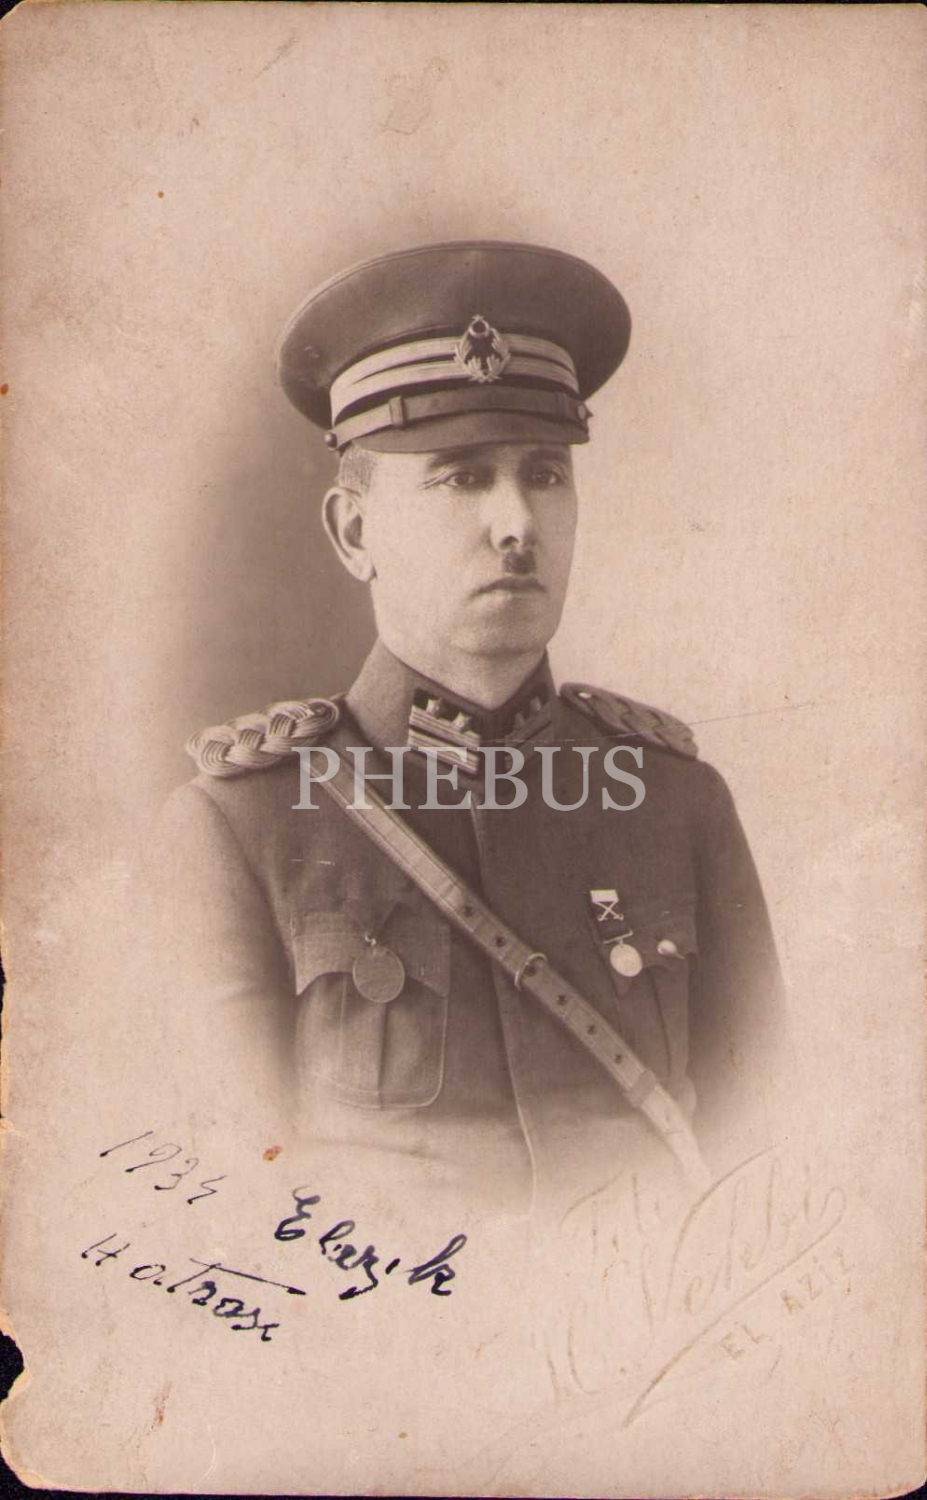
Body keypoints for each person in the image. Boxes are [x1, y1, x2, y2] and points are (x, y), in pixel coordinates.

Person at [153, 241, 788, 1224]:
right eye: (461, 478)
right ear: (355, 533)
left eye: (544, 474)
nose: (517, 522)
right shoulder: (241, 826)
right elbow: (233, 1202)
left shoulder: (675, 801)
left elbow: (771, 1153)